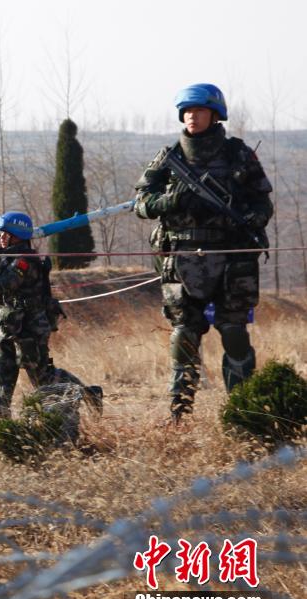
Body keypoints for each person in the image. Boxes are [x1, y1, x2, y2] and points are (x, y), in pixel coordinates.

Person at [134, 83, 273, 424]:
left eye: (198, 110)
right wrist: (171, 200)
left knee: (235, 332)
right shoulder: (169, 158)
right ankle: (179, 414)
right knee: (184, 334)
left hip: (231, 256)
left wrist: (250, 219)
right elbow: (141, 204)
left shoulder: (239, 154)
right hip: (182, 258)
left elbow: (262, 201)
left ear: (215, 114)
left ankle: (245, 411)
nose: (191, 117)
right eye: (186, 111)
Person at [0, 212, 102, 419]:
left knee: (44, 379)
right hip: (7, 332)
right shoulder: (10, 255)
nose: (1, 237)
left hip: (28, 332)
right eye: (0, 233)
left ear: (17, 236)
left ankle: (88, 394)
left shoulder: (25, 261)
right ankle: (4, 431)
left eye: (5, 233)